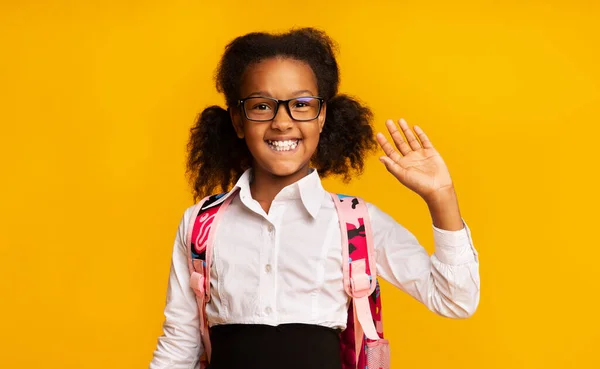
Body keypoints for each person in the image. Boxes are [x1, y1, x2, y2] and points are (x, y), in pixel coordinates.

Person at [149, 28, 480, 369]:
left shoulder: (355, 223)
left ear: (321, 117)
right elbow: (178, 344)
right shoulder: (201, 223)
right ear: (237, 120)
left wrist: (442, 197)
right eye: (261, 106)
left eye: (301, 105)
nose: (282, 122)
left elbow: (456, 300)